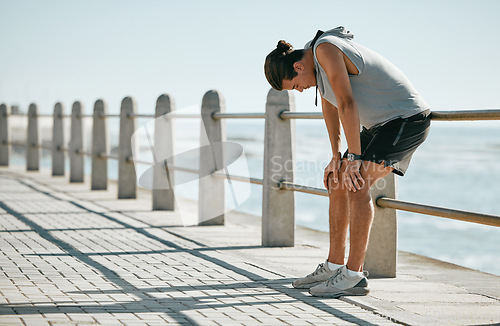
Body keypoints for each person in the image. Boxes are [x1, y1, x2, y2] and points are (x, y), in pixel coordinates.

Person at [264, 26, 431, 298]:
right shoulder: (315, 57)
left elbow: (348, 104)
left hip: (406, 120)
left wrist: (352, 158)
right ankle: (333, 266)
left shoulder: (325, 49)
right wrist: (336, 156)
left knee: (356, 182)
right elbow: (330, 106)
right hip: (378, 125)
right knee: (335, 178)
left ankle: (354, 276)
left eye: (296, 85)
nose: (302, 89)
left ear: (297, 66)